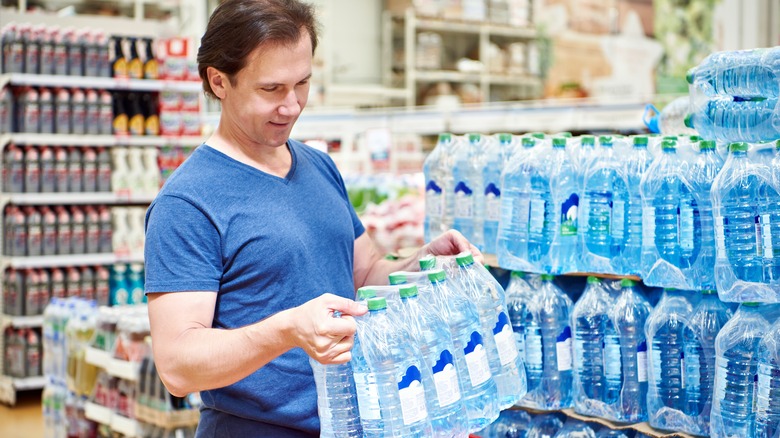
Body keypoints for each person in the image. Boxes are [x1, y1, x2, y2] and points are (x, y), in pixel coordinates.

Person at [143, 0, 482, 436]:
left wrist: (421, 263)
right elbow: (178, 366)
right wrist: (287, 330)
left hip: (352, 420)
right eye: (271, 89)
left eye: (302, 83)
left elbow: (362, 274)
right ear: (218, 81)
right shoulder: (188, 203)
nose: (292, 106)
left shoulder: (319, 166)